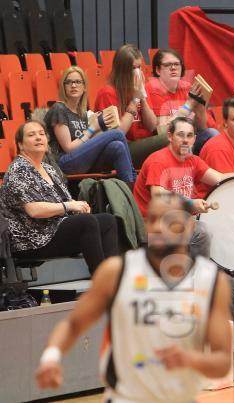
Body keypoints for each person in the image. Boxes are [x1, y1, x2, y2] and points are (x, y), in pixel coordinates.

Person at [36, 193, 232, 403]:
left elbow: (222, 362)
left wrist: (191, 360)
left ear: (188, 226)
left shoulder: (211, 281)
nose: (157, 227)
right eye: (152, 219)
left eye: (168, 220)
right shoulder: (116, 271)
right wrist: (51, 357)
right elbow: (73, 324)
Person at [0, 121, 118, 274]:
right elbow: (34, 210)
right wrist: (68, 206)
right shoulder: (18, 170)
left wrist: (78, 206)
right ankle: (101, 279)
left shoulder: (49, 169)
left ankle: (112, 276)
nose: (38, 137)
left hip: (54, 230)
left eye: (41, 134)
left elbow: (65, 200)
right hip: (31, 240)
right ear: (21, 145)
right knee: (86, 222)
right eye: (31, 135)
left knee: (108, 221)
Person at [133, 117, 234, 258]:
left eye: (189, 135)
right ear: (170, 136)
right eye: (180, 135)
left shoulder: (193, 161)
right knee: (201, 231)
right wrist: (190, 204)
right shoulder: (158, 161)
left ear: (194, 139)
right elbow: (159, 196)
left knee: (218, 224)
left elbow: (219, 178)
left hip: (175, 222)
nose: (185, 140)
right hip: (152, 229)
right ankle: (198, 272)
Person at [43, 66, 137, 185]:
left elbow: (86, 142)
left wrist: (99, 128)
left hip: (82, 160)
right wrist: (92, 128)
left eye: (78, 82)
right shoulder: (59, 109)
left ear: (84, 87)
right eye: (69, 82)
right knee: (117, 133)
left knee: (117, 146)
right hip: (63, 163)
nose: (73, 85)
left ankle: (129, 186)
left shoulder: (82, 113)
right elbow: (68, 148)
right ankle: (135, 183)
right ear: (64, 86)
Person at [94, 44, 165, 168]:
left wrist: (142, 96)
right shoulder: (107, 93)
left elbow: (152, 125)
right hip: (122, 149)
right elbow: (118, 134)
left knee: (179, 135)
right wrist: (134, 101)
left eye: (139, 67)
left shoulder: (138, 89)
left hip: (142, 143)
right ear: (122, 70)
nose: (137, 73)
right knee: (168, 139)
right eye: (133, 68)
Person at [146, 48, 219, 155]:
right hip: (164, 144)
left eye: (176, 64)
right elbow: (162, 131)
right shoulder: (152, 88)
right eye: (168, 65)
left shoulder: (188, 88)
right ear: (158, 70)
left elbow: (202, 127)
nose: (173, 68)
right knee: (184, 138)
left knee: (212, 134)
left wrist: (200, 108)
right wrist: (188, 105)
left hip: (189, 139)